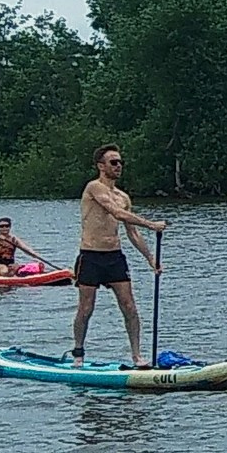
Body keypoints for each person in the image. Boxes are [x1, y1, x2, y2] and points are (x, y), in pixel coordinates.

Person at [71, 142, 166, 363]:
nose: (118, 166)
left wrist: (150, 258)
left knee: (129, 307)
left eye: (120, 162)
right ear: (101, 166)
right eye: (113, 162)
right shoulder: (93, 187)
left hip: (114, 257)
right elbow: (115, 212)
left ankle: (137, 356)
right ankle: (78, 352)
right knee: (86, 308)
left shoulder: (123, 197)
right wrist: (150, 224)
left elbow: (131, 232)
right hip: (90, 256)